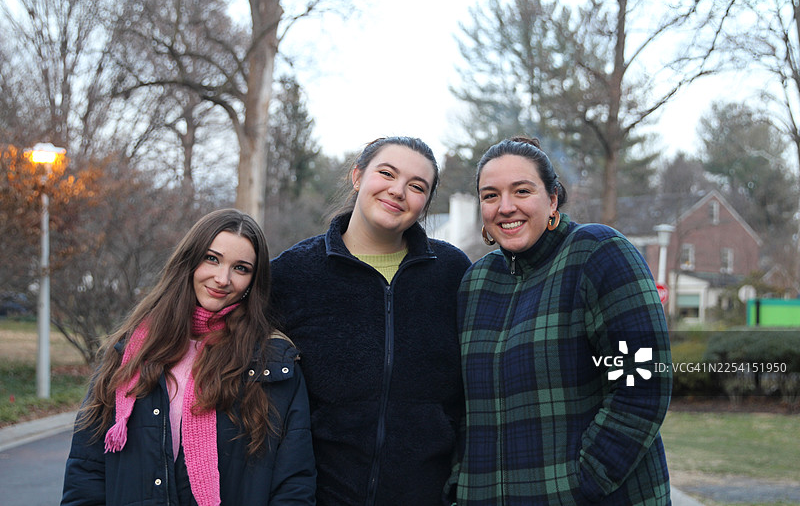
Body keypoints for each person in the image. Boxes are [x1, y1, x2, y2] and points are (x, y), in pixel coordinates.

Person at [456, 137, 672, 505]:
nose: (505, 207)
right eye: (490, 196)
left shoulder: (598, 253)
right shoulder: (476, 283)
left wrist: (583, 482)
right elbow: (465, 406)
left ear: (552, 198)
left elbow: (642, 384)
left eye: (521, 191)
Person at [61, 208, 316, 506]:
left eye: (241, 268)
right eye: (212, 258)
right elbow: (87, 470)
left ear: (253, 281)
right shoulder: (132, 351)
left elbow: (294, 482)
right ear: (190, 260)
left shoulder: (271, 362)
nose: (223, 278)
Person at [269, 137, 472, 506]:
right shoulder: (293, 274)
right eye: (387, 173)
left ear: (425, 203)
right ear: (358, 176)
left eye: (417, 186)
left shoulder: (454, 274)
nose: (398, 191)